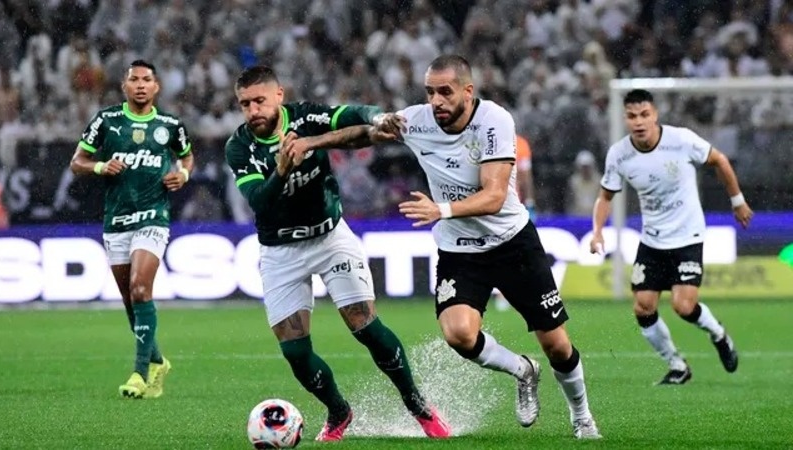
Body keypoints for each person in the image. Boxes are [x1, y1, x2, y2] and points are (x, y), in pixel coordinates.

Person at [354, 54, 600, 439]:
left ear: (468, 91)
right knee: (459, 334)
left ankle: (581, 415)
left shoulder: (495, 121)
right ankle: (522, 369)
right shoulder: (416, 120)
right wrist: (311, 142)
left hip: (513, 243)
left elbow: (495, 197)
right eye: (430, 92)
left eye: (445, 92)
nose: (435, 100)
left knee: (556, 344)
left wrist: (441, 209)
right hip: (461, 250)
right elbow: (361, 134)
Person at [224, 65, 450, 442]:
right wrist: (279, 171)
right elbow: (260, 203)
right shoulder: (239, 147)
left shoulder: (306, 117)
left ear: (279, 95)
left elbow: (349, 116)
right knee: (296, 354)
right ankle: (339, 412)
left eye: (259, 101)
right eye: (245, 104)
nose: (253, 111)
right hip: (280, 251)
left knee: (365, 327)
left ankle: (418, 406)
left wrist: (377, 116)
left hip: (330, 238)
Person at [590, 89, 749, 385]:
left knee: (683, 306)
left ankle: (718, 334)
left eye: (644, 115)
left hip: (688, 236)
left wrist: (737, 200)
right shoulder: (619, 154)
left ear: (655, 115)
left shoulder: (682, 140)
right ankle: (677, 365)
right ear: (625, 119)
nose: (638, 122)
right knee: (643, 306)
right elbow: (605, 196)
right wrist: (597, 232)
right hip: (652, 240)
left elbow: (720, 161)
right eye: (632, 116)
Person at [69, 60, 193, 398]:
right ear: (125, 86)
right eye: (134, 79)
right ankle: (157, 361)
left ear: (157, 87)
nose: (140, 85)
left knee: (140, 289)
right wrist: (99, 165)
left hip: (153, 217)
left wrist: (182, 174)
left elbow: (187, 156)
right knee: (130, 303)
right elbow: (76, 162)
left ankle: (139, 373)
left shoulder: (170, 125)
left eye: (147, 80)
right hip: (116, 222)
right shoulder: (107, 121)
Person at [493, 133, 536, 311]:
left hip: (500, 205)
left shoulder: (481, 137)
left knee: (503, 251)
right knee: (513, 251)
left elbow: (525, 176)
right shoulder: (519, 143)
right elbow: (525, 176)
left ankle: (504, 293)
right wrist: (531, 201)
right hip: (505, 205)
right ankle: (511, 293)